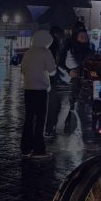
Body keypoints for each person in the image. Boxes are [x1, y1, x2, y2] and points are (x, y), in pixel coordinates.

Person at [20, 29, 56, 159]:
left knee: (28, 119)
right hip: (41, 90)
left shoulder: (28, 53)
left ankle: (25, 148)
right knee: (40, 120)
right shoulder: (45, 52)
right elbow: (52, 70)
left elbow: (23, 70)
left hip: (28, 90)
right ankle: (39, 149)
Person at [43, 25, 66, 138]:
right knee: (53, 106)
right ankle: (49, 129)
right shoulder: (54, 46)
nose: (62, 37)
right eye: (61, 35)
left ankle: (50, 128)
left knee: (52, 106)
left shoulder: (48, 46)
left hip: (48, 81)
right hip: (51, 81)